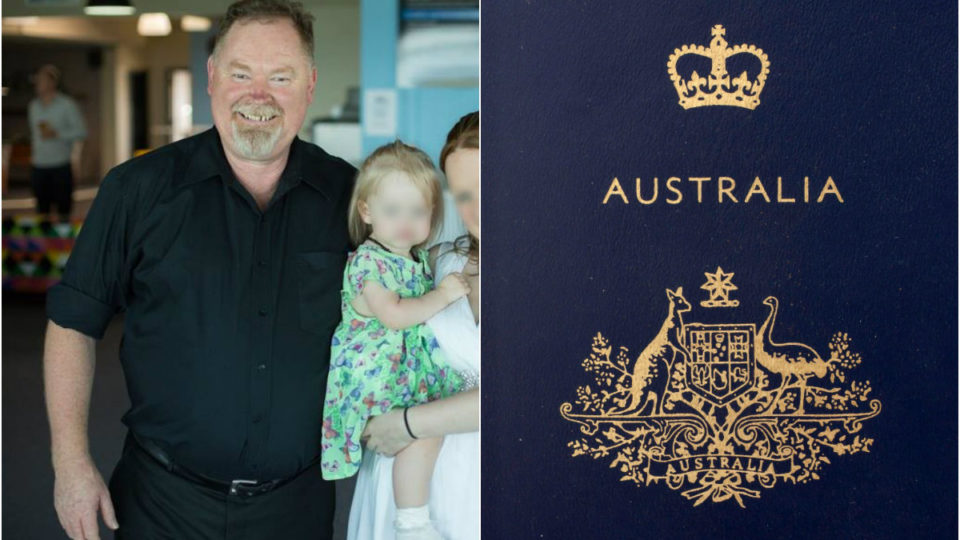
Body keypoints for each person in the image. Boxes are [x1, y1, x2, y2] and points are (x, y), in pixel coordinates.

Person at [43, 1, 354, 538]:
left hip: (298, 507)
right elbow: (72, 323)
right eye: (240, 73)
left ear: (310, 84)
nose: (259, 95)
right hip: (162, 504)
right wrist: (70, 463)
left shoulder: (349, 197)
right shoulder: (136, 190)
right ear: (211, 77)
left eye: (280, 76)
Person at [321, 141, 470, 540]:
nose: (405, 221)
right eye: (392, 211)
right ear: (366, 211)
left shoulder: (417, 258)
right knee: (423, 429)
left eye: (418, 211)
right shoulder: (369, 262)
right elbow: (395, 315)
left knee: (426, 430)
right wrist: (443, 295)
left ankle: (412, 516)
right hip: (375, 376)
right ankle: (411, 524)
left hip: (400, 372)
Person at [28, 64, 87, 222]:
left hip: (60, 165)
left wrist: (57, 134)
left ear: (52, 83)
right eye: (37, 80)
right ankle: (44, 245)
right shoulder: (33, 106)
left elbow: (81, 132)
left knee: (63, 210)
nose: (37, 83)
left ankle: (64, 246)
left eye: (41, 80)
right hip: (38, 166)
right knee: (42, 211)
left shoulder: (67, 105)